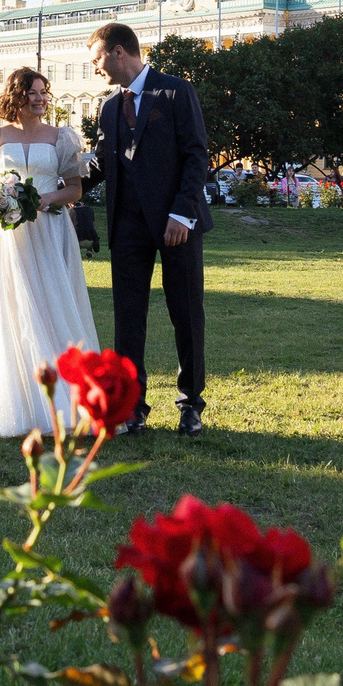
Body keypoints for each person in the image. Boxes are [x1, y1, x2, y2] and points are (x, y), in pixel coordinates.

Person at [88, 22, 210, 437]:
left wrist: (182, 214)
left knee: (186, 314)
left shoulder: (175, 91)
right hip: (127, 227)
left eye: (97, 59)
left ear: (118, 52)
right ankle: (132, 408)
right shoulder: (108, 107)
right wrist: (55, 187)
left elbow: (196, 155)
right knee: (128, 319)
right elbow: (101, 164)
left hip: (177, 225)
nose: (95, 68)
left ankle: (191, 405)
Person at [0, 68, 101, 438]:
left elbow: (74, 189)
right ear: (17, 95)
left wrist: (45, 199)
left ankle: (66, 400)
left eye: (44, 92)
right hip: (6, 234)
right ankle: (20, 400)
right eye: (33, 92)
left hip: (50, 229)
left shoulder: (61, 137)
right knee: (14, 306)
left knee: (52, 302)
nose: (40, 98)